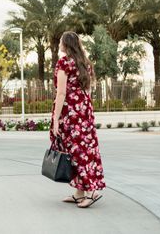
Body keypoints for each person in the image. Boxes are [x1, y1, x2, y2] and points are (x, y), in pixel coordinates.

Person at [50, 31, 106, 208]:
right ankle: (79, 192)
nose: (59, 44)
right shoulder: (85, 64)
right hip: (84, 112)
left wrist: (55, 119)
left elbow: (61, 93)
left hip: (71, 114)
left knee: (76, 152)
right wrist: (85, 111)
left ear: (66, 44)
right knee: (84, 150)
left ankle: (92, 191)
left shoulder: (64, 62)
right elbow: (88, 91)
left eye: (60, 41)